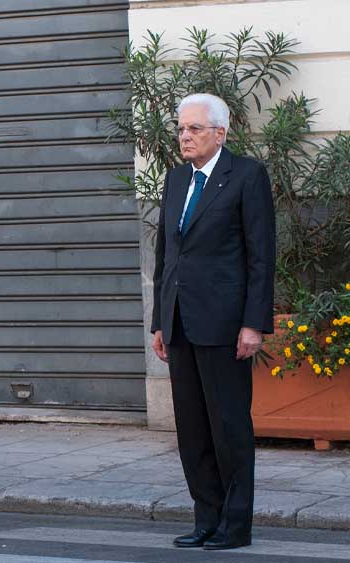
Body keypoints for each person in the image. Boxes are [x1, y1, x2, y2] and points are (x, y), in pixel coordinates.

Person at [151, 93, 276, 550]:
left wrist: (253, 323)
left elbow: (261, 256)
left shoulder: (246, 176)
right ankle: (206, 517)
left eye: (195, 129)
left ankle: (235, 525)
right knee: (193, 430)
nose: (184, 136)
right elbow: (166, 256)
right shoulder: (175, 179)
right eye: (181, 129)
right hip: (180, 323)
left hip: (225, 326)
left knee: (229, 428)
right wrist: (159, 321)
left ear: (220, 133)